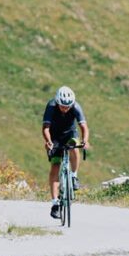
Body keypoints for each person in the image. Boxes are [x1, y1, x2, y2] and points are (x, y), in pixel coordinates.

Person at [42, 85, 91, 219]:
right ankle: (55, 204)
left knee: (74, 148)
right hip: (55, 136)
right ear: (57, 102)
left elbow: (83, 127)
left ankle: (74, 176)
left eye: (68, 106)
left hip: (70, 134)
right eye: (62, 106)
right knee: (55, 167)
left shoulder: (76, 106)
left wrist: (85, 140)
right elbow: (46, 128)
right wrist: (48, 141)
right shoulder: (51, 106)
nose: (65, 108)